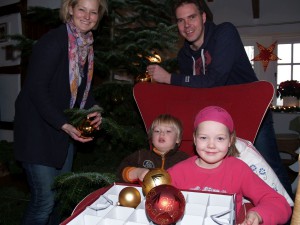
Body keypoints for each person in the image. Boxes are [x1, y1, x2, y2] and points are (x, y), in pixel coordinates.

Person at [147, 0, 293, 198]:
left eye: (192, 17)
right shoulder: (183, 55)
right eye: (181, 20)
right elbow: (194, 93)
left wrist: (168, 78)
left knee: (269, 167)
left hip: (251, 111)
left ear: (204, 17)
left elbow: (214, 80)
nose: (187, 25)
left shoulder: (224, 33)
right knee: (222, 170)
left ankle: (291, 214)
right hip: (217, 120)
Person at [13, 0, 107, 224]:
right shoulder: (54, 41)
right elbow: (36, 89)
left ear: (98, 17)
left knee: (59, 199)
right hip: (38, 130)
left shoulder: (84, 45)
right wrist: (64, 124)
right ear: (71, 10)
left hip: (62, 131)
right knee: (44, 200)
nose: (87, 16)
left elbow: (83, 90)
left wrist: (95, 111)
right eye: (81, 9)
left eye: (93, 11)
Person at [167, 106, 292, 225]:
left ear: (230, 140)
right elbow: (154, 199)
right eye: (204, 138)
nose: (211, 145)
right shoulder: (178, 172)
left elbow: (279, 204)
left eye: (220, 138)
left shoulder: (238, 170)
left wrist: (258, 215)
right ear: (194, 139)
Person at [117, 114, 189, 183]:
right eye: (157, 131)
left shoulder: (184, 160)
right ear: (151, 136)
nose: (161, 133)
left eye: (168, 131)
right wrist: (137, 172)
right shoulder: (141, 155)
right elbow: (121, 171)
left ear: (178, 139)